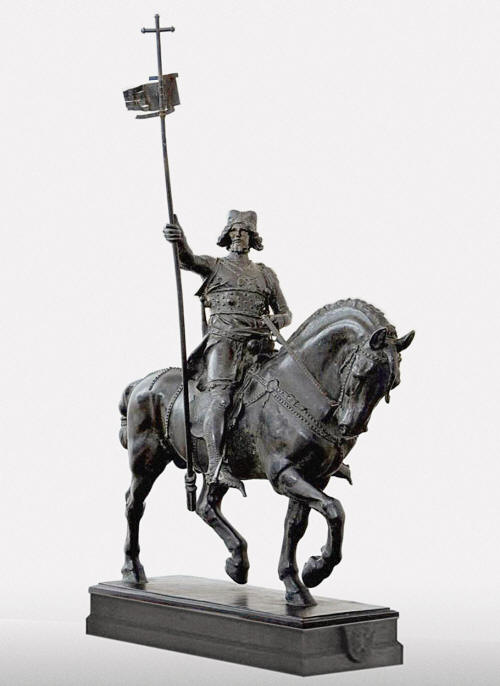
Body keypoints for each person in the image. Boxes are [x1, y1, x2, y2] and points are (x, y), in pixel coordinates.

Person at [164, 210, 292, 493]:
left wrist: (276, 320)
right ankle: (215, 465)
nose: (238, 236)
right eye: (233, 231)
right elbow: (188, 260)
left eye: (243, 232)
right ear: (226, 236)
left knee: (286, 391)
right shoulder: (216, 266)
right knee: (221, 398)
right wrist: (179, 240)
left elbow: (286, 312)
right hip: (224, 345)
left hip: (259, 346)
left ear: (252, 238)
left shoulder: (266, 275)